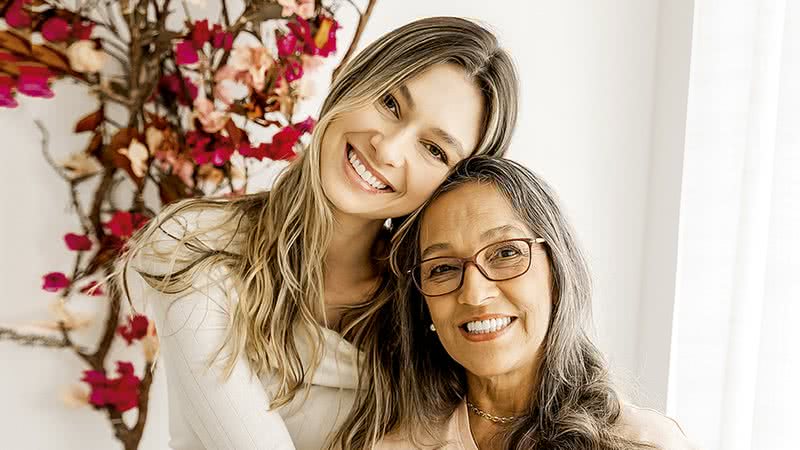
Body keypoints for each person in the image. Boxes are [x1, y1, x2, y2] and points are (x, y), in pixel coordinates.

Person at [118, 17, 519, 450]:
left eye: (434, 149)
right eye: (389, 102)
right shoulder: (197, 244)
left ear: (453, 184)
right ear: (352, 80)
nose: (387, 148)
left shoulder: (431, 307)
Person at [374, 156, 699, 450]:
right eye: (442, 268)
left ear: (556, 271)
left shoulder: (645, 443)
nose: (474, 294)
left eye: (506, 252)